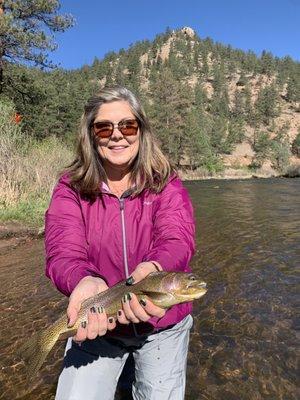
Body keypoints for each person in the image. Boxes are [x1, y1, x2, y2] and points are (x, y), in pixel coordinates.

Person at [45, 86, 196, 400]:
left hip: (162, 325)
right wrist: (83, 280)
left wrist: (155, 268)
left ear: (141, 131)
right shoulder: (70, 186)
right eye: (104, 127)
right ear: (91, 135)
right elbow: (63, 249)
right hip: (98, 321)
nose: (117, 135)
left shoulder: (165, 181)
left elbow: (177, 238)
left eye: (127, 125)